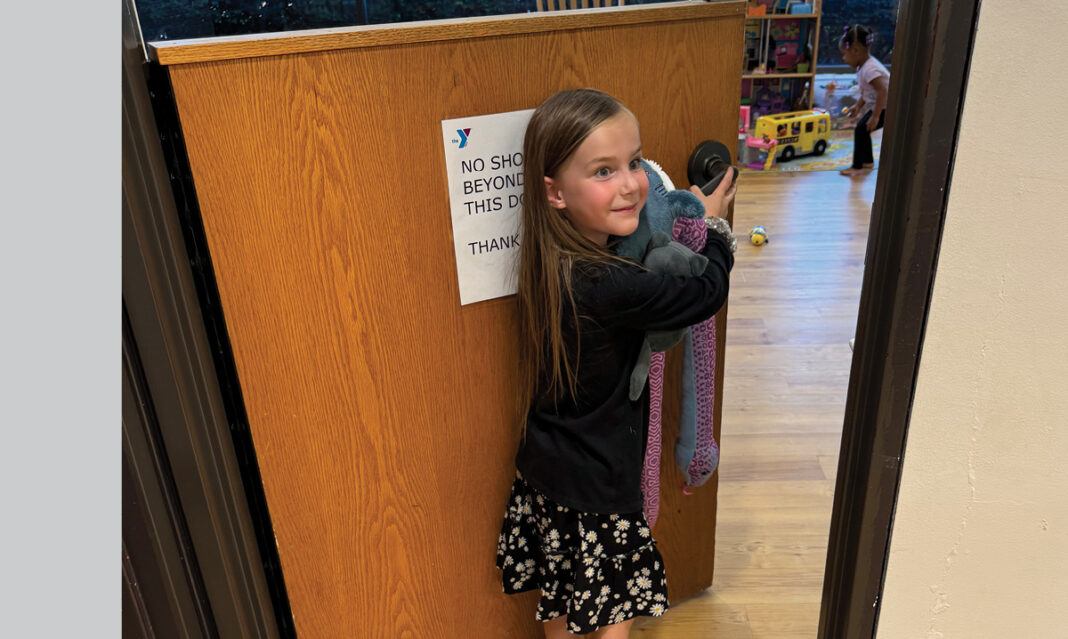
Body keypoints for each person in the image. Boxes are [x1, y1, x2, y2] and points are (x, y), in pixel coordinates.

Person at [496, 88, 737, 638]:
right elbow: (703, 294)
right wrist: (714, 230)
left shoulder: (548, 260)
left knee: (560, 595)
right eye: (604, 171)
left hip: (544, 469)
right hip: (602, 484)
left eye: (634, 162)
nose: (632, 183)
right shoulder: (612, 284)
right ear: (555, 193)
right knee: (614, 615)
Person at [838, 25, 890, 176]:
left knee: (861, 129)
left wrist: (875, 116)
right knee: (863, 129)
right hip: (881, 106)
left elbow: (882, 90)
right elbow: (868, 92)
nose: (844, 58)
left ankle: (857, 166)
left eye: (845, 54)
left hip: (888, 107)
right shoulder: (863, 67)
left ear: (856, 50)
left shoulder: (869, 69)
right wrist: (857, 106)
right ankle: (867, 161)